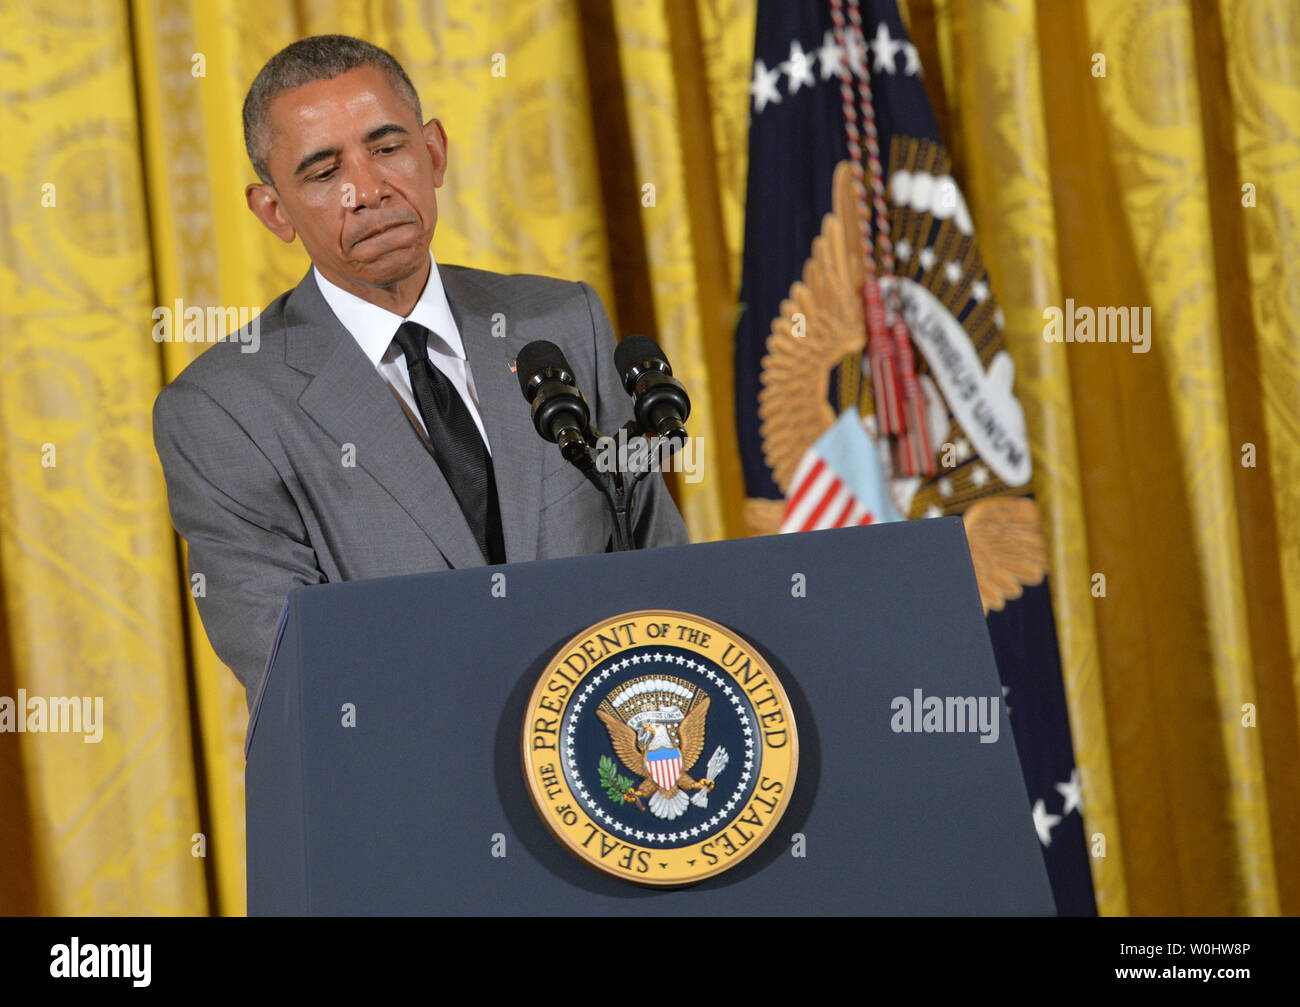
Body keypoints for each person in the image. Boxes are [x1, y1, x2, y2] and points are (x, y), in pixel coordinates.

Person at [152, 35, 689, 707]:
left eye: (387, 148)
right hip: (417, 785)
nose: (368, 190)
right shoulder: (223, 410)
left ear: (433, 152)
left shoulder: (560, 321)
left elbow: (663, 575)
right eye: (323, 172)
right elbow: (300, 671)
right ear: (273, 211)